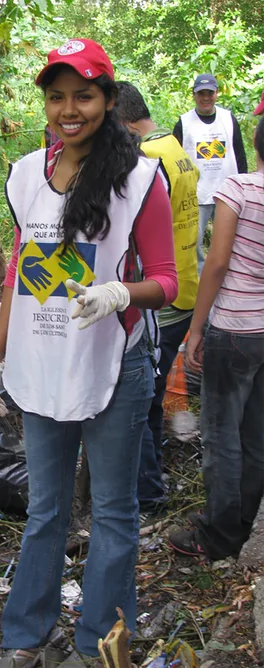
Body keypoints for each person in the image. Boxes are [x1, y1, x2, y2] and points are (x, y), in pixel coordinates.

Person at [0, 39, 178, 664]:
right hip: (41, 364)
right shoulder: (24, 175)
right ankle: (24, 637)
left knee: (115, 514)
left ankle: (100, 645)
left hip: (115, 365)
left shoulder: (141, 178)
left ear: (109, 100)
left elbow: (170, 279)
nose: (70, 109)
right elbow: (19, 270)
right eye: (57, 96)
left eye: (84, 95)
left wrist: (119, 292)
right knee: (46, 510)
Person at [169, 115, 264, 560]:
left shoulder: (239, 189)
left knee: (222, 435)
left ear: (255, 145)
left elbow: (218, 261)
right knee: (256, 435)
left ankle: (218, 536)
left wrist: (195, 327)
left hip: (234, 330)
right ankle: (243, 524)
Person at [115, 81, 199, 514]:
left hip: (158, 298)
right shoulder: (177, 150)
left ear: (122, 122)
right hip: (187, 284)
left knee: (143, 401)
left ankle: (147, 492)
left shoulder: (146, 160)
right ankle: (154, 476)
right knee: (155, 391)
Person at [173, 73, 247, 273]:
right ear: (194, 95)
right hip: (197, 194)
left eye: (210, 93)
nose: (206, 98)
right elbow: (174, 158)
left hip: (228, 191)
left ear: (217, 94)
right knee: (193, 243)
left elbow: (239, 153)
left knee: (231, 241)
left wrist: (244, 186)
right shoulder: (184, 122)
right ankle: (200, 279)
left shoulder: (228, 119)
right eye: (201, 93)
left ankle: (229, 277)